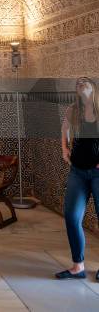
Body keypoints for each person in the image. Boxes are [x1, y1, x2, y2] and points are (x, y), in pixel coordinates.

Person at [56, 77, 99, 281]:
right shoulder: (73, 110)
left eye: (86, 86)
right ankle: (78, 266)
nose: (82, 89)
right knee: (72, 217)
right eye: (79, 87)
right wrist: (65, 150)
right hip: (78, 172)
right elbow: (64, 129)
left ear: (93, 89)